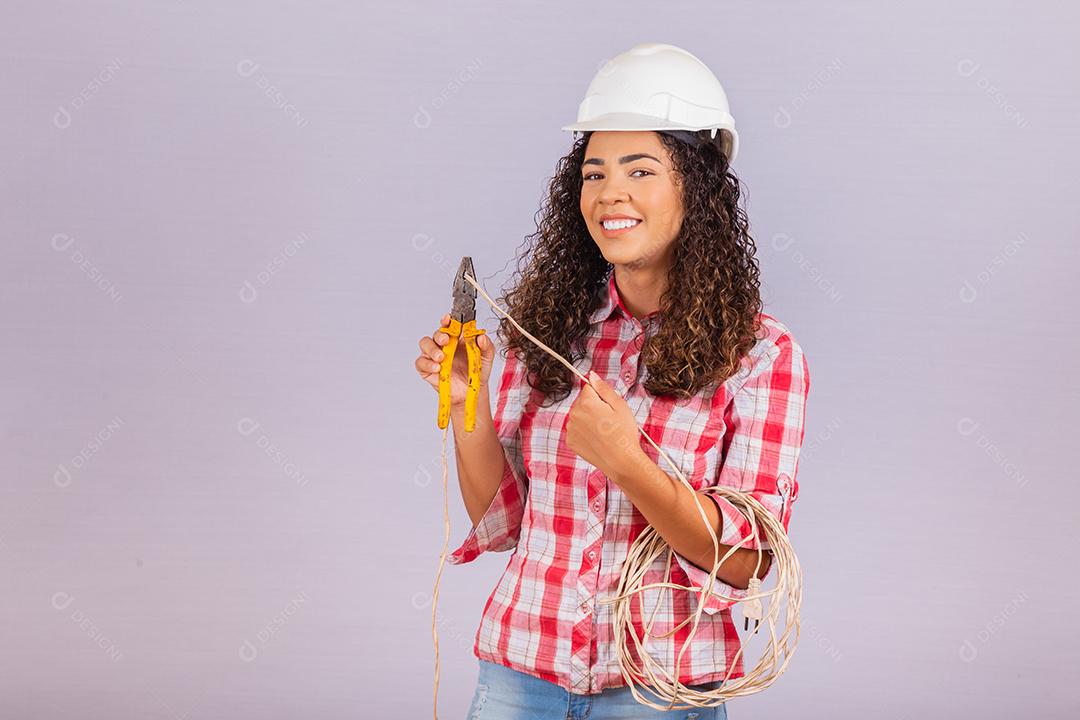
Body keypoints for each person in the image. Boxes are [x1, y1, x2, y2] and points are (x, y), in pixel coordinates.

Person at [414, 43, 810, 720]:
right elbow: (501, 518)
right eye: (593, 173)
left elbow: (743, 562)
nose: (610, 193)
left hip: (657, 690)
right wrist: (467, 404)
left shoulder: (760, 355)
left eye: (640, 170)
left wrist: (627, 462)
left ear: (698, 187)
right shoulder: (546, 330)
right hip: (520, 673)